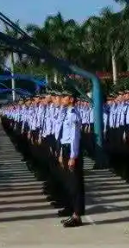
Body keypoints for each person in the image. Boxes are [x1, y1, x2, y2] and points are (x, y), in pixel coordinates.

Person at [59, 93, 84, 228]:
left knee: (76, 184)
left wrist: (73, 156)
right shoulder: (66, 112)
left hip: (72, 150)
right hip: (66, 148)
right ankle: (73, 212)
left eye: (64, 97)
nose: (62, 99)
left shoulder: (73, 114)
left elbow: (74, 137)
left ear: (71, 99)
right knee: (71, 183)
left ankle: (77, 215)